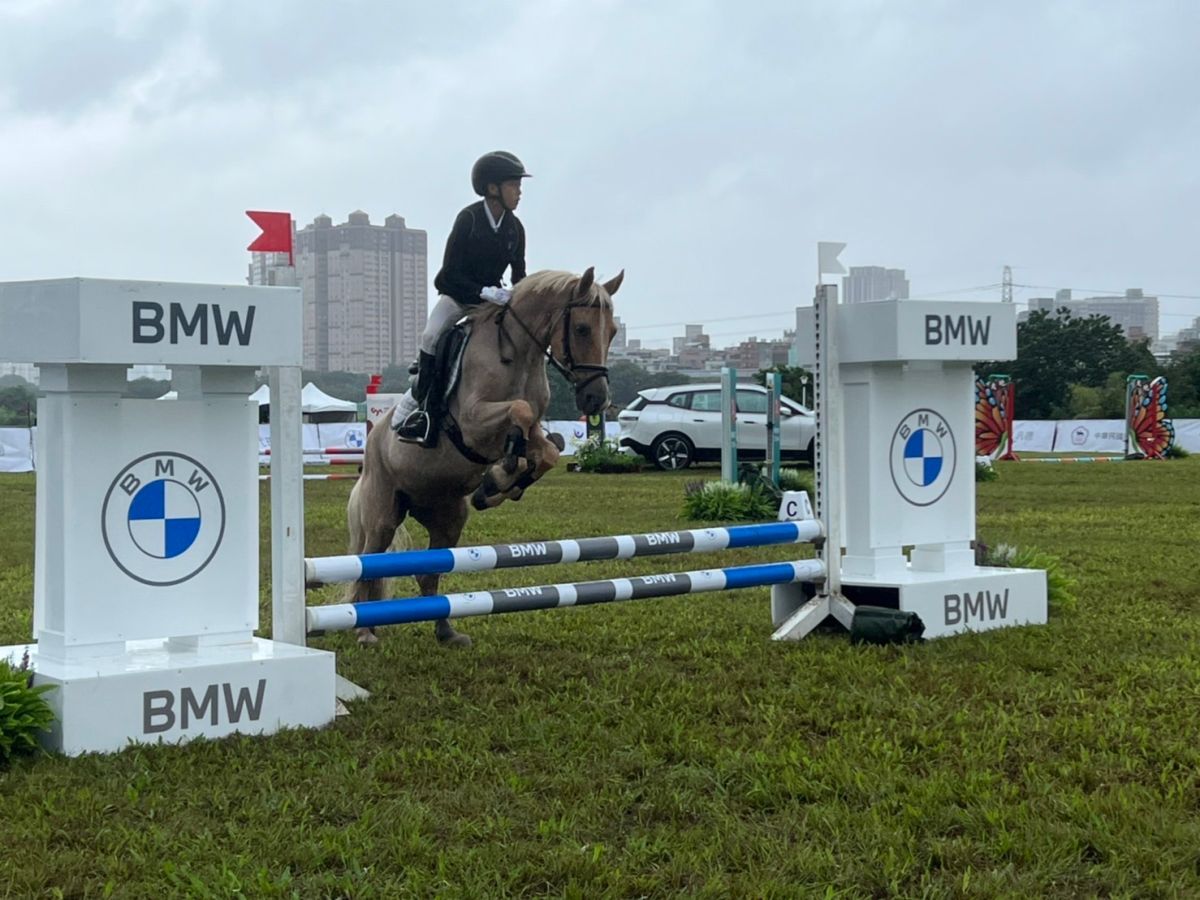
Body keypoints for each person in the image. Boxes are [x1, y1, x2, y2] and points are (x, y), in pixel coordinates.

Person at [392, 151, 531, 443]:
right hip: (458, 296)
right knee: (431, 337)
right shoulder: (468, 219)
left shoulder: (515, 229)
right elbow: (447, 274)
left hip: (493, 303)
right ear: (493, 188)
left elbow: (519, 275)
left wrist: (518, 296)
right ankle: (423, 410)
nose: (519, 192)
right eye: (513, 185)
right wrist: (482, 291)